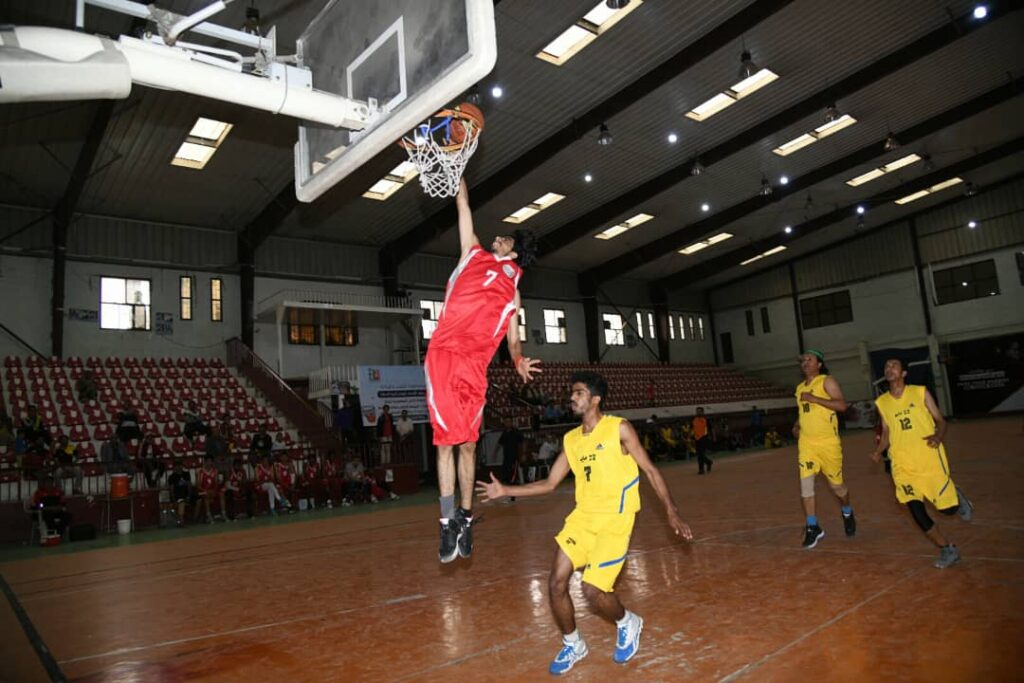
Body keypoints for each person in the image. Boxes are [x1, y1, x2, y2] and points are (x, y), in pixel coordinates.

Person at [476, 371, 691, 675]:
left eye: (578, 393)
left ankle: (627, 621)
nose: (572, 398)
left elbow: (651, 471)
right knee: (556, 582)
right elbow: (550, 483)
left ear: (595, 399)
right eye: (572, 393)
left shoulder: (619, 428)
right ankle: (573, 643)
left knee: (592, 590)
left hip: (615, 519)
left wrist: (671, 510)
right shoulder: (572, 439)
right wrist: (505, 490)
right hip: (583, 518)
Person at [424, 177, 540, 564]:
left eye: (505, 237)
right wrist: (456, 175)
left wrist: (519, 360)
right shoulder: (471, 252)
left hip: (476, 365)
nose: (498, 238)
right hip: (445, 355)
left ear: (515, 250)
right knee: (445, 442)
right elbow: (463, 206)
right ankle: (446, 521)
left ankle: (465, 516)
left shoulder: (513, 291)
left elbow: (512, 339)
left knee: (469, 443)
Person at [871, 358, 974, 568]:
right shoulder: (882, 402)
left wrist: (938, 436)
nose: (889, 369)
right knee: (917, 511)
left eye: (894, 365)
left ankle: (956, 496)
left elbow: (941, 420)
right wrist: (879, 451)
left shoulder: (920, 392)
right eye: (886, 366)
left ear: (904, 373)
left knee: (948, 510)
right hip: (902, 464)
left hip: (928, 458)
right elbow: (887, 431)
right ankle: (947, 549)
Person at [793, 349, 855, 549]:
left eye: (809, 359)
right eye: (803, 360)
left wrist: (815, 399)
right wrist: (797, 424)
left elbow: (842, 406)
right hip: (807, 444)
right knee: (806, 487)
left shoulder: (827, 381)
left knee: (837, 487)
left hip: (828, 444)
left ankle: (847, 512)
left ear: (819, 364)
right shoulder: (799, 388)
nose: (805, 363)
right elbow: (804, 411)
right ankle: (813, 526)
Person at [498, 417, 523, 499]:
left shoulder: (516, 432)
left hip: (514, 457)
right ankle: (508, 492)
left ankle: (513, 495)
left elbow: (522, 443)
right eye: (506, 421)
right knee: (506, 475)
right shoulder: (504, 432)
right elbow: (500, 443)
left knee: (513, 476)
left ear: (512, 422)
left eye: (509, 421)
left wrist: (523, 454)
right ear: (504, 423)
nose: (508, 423)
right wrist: (494, 453)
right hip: (506, 458)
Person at [195, 455, 224, 523]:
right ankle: (208, 515)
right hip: (203, 490)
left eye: (211, 461)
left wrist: (214, 490)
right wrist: (206, 490)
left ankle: (223, 513)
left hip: (212, 490)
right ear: (205, 462)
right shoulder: (200, 471)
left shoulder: (215, 471)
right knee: (206, 495)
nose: (209, 463)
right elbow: (198, 485)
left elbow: (216, 483)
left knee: (221, 494)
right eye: (208, 461)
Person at [167, 460, 192, 527]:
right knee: (181, 502)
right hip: (177, 496)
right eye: (177, 465)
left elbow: (189, 486)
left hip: (186, 495)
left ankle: (195, 519)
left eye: (180, 465)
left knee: (199, 499)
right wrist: (174, 500)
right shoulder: (171, 477)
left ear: (182, 466)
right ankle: (181, 521)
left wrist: (188, 496)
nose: (179, 467)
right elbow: (171, 490)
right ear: (174, 467)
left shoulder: (186, 474)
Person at [692, 407, 711, 474]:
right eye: (697, 411)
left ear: (703, 412)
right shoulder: (694, 420)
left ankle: (701, 469)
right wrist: (693, 438)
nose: (698, 412)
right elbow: (693, 429)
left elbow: (709, 429)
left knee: (701, 454)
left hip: (704, 438)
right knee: (699, 454)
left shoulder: (706, 419)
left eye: (700, 411)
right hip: (697, 438)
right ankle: (708, 462)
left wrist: (711, 437)